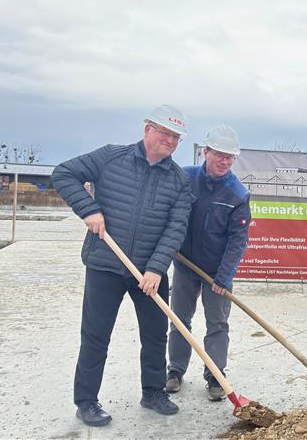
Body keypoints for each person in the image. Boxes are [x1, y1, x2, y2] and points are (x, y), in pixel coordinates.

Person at [51, 105, 193, 427]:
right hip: (105, 265)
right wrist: (88, 209)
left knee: (156, 335)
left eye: (176, 137)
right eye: (164, 133)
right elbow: (63, 173)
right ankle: (86, 401)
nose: (169, 140)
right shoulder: (111, 157)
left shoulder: (179, 180)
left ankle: (153, 392)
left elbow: (176, 228)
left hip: (149, 272)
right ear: (147, 129)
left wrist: (156, 269)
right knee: (96, 336)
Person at [165, 125, 251, 401]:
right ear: (206, 152)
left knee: (217, 324)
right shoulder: (186, 179)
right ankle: (175, 371)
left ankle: (215, 376)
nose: (225, 161)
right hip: (184, 266)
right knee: (179, 320)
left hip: (216, 272)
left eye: (230, 157)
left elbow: (238, 240)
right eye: (220, 155)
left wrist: (223, 277)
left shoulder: (237, 193)